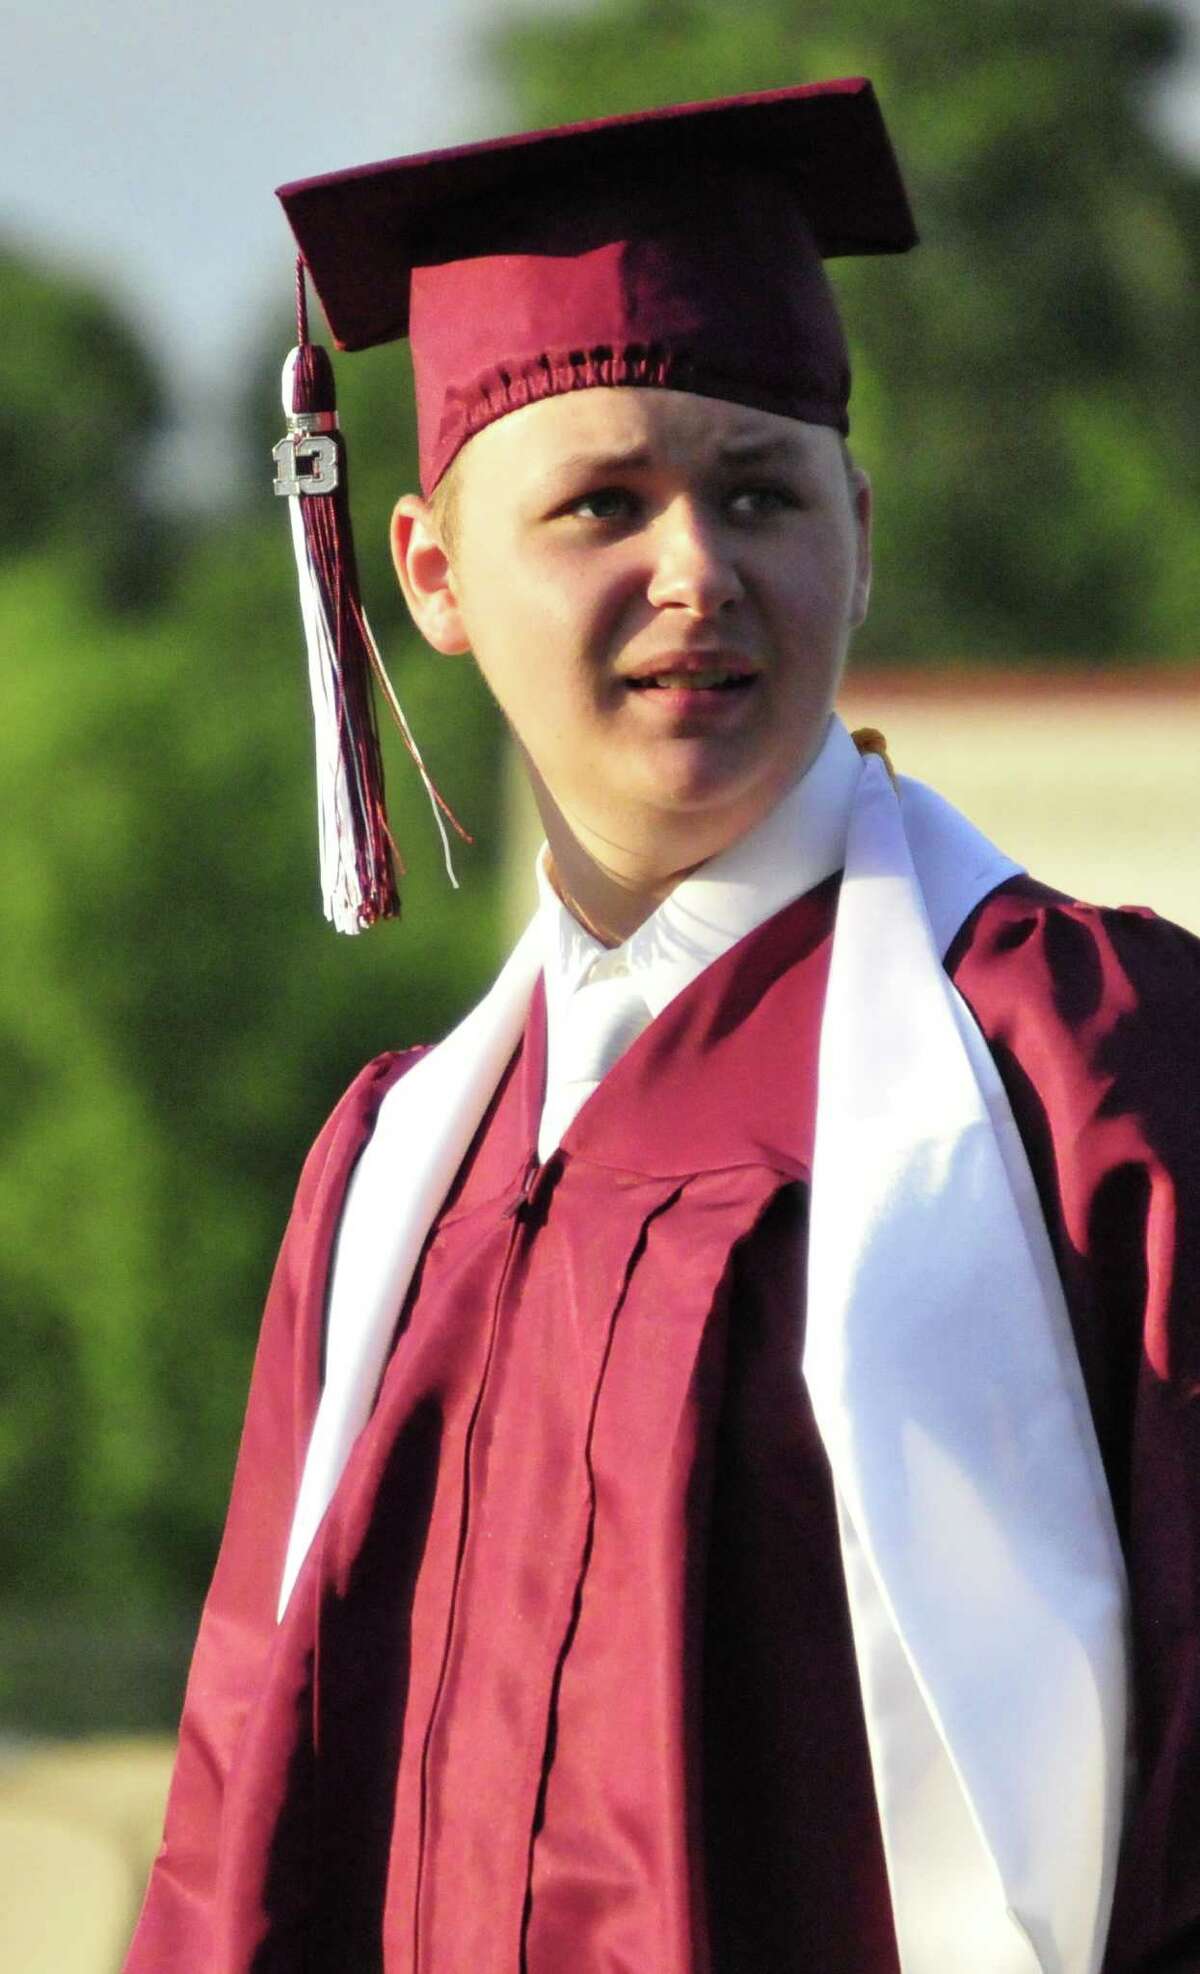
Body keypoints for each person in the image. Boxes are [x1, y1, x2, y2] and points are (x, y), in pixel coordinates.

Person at [125, 81, 1200, 1974]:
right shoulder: (396, 1173)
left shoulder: (1079, 1067)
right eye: (603, 503)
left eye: (762, 492)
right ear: (434, 577)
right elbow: (239, 1816)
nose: (697, 570)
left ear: (858, 535)